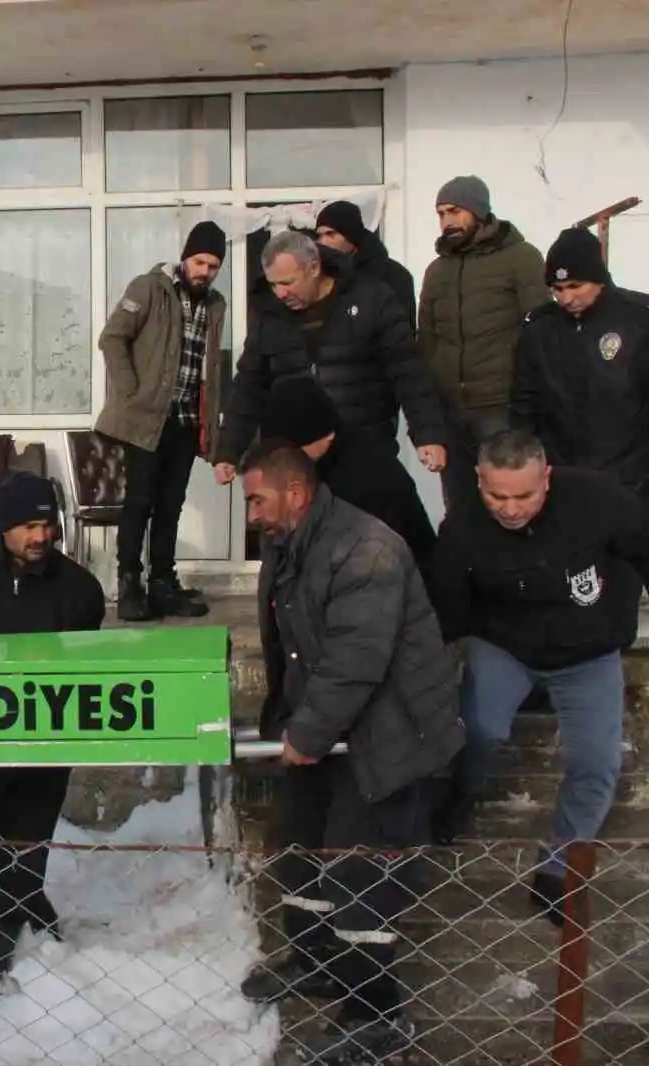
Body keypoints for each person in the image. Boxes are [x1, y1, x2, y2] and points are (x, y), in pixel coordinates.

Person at [236, 441, 461, 1064]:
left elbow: (356, 661)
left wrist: (305, 735)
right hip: (327, 730)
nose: (250, 512)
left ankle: (375, 1013)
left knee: (359, 877)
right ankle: (314, 960)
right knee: (297, 844)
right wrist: (293, 723)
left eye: (257, 498)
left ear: (296, 493)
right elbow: (292, 645)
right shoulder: (289, 543)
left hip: (387, 735)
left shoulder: (367, 551)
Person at [432, 429, 647, 923]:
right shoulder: (461, 528)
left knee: (596, 763)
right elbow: (447, 613)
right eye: (497, 495)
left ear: (546, 477)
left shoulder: (601, 500)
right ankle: (459, 792)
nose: (510, 508)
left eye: (524, 495)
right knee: (479, 726)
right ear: (479, 482)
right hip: (505, 646)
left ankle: (558, 866)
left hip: (588, 653)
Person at [0, 472, 106, 992]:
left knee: (32, 836)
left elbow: (86, 673)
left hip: (49, 736)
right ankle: (33, 902)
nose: (41, 535)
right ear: (4, 526)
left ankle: (2, 930)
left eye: (47, 523)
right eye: (29, 524)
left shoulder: (80, 590)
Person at [211, 231, 446, 485]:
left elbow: (408, 370)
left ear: (314, 268)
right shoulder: (269, 316)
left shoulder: (371, 299)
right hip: (296, 462)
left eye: (288, 282)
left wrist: (428, 432)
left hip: (365, 451)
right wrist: (228, 451)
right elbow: (249, 387)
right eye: (273, 284)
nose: (280, 293)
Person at [95, 220, 226, 621]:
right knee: (139, 503)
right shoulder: (149, 288)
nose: (205, 271)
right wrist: (131, 389)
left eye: (214, 265)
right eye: (200, 261)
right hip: (146, 419)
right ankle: (130, 585)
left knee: (171, 504)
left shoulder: (215, 304)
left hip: (186, 420)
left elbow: (209, 364)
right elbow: (112, 337)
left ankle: (162, 584)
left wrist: (212, 424)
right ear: (186, 257)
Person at [417, 176, 549, 512]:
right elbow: (427, 340)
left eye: (455, 211)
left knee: (509, 502)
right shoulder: (437, 271)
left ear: (479, 211)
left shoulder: (521, 258)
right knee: (461, 506)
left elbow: (542, 334)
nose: (447, 221)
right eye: (441, 213)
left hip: (501, 409)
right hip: (452, 412)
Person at [512, 227, 649, 498]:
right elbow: (523, 407)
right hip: (563, 480)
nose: (567, 298)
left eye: (575, 286)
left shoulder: (639, 321)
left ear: (600, 280)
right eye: (557, 289)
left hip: (632, 480)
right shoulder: (539, 330)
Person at [260, 374, 437, 578]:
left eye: (292, 452)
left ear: (322, 436)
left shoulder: (370, 477)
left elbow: (374, 567)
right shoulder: (316, 465)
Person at [314, 200, 417, 329]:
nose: (323, 242)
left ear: (350, 234)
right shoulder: (319, 274)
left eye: (330, 234)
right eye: (319, 236)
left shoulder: (393, 275)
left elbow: (402, 331)